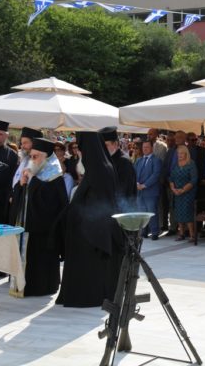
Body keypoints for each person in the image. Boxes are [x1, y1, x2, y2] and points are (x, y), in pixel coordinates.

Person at [56, 131, 124, 308]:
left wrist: (76, 214)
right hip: (91, 230)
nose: (78, 153)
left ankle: (88, 296)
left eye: (80, 148)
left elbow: (97, 205)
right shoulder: (99, 167)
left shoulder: (99, 170)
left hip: (93, 234)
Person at [19, 138, 68, 296]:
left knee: (43, 259)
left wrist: (32, 180)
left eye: (36, 156)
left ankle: (44, 287)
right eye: (31, 156)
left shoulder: (54, 176)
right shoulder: (36, 172)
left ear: (46, 157)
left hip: (46, 229)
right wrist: (23, 183)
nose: (32, 160)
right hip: (31, 225)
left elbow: (51, 204)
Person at [99, 126, 137, 212]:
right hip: (110, 208)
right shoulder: (107, 160)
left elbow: (124, 191)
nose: (103, 149)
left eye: (106, 145)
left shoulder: (124, 162)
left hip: (123, 210)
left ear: (115, 144)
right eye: (101, 146)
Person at [135, 141, 163, 240]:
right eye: (144, 147)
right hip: (139, 191)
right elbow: (134, 173)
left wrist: (144, 185)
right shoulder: (139, 160)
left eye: (147, 147)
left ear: (152, 148)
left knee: (151, 212)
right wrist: (137, 184)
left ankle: (155, 232)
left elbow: (155, 175)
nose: (145, 149)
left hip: (151, 191)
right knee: (142, 212)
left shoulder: (156, 160)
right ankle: (144, 231)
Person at [169, 145, 198, 242]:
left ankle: (192, 235)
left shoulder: (191, 164)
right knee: (178, 213)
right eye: (178, 153)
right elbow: (171, 178)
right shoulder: (176, 164)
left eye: (182, 153)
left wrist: (183, 190)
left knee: (187, 213)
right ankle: (181, 233)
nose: (180, 155)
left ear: (186, 154)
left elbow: (194, 179)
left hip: (188, 193)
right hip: (177, 193)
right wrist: (173, 189)